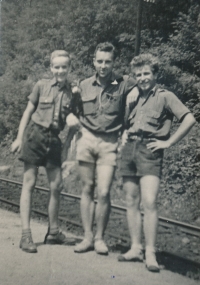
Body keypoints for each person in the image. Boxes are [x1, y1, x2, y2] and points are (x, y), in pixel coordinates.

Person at [118, 53, 196, 272]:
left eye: (146, 73)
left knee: (149, 202)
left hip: (150, 150)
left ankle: (150, 253)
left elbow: (189, 119)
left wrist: (168, 142)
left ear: (155, 74)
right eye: (138, 74)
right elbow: (125, 121)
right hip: (129, 149)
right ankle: (135, 248)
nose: (143, 78)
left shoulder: (165, 96)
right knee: (131, 200)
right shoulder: (132, 96)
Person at [11, 50, 80, 253]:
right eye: (56, 67)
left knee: (56, 186)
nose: (60, 71)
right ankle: (26, 235)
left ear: (69, 68)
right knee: (29, 183)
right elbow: (28, 112)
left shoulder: (73, 93)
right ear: (51, 68)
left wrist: (67, 145)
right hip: (35, 136)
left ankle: (53, 232)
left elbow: (74, 122)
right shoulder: (41, 85)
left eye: (64, 67)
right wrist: (18, 138)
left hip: (54, 140)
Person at [74, 42, 139, 255]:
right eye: (99, 61)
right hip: (87, 138)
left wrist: (136, 89)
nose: (103, 66)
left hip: (110, 142)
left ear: (114, 62)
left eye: (107, 61)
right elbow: (73, 109)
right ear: (94, 61)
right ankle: (87, 237)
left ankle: (100, 238)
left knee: (103, 191)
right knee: (87, 188)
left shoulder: (124, 83)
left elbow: (146, 81)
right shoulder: (83, 85)